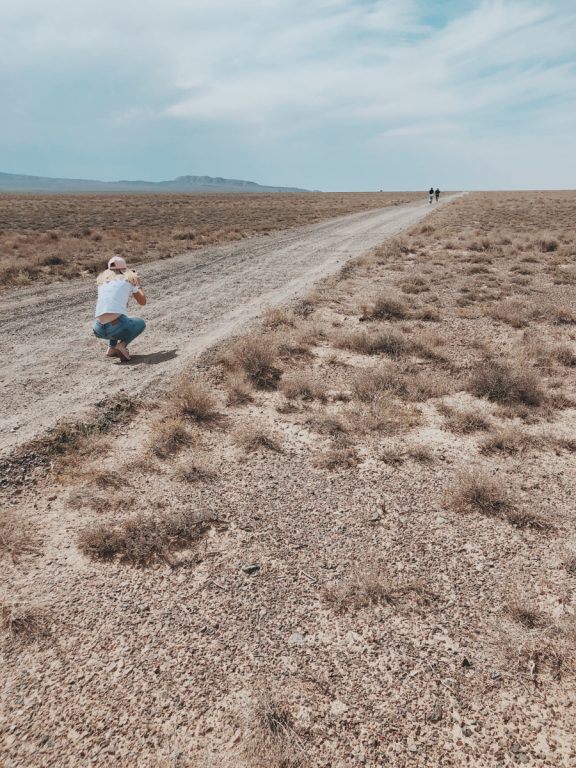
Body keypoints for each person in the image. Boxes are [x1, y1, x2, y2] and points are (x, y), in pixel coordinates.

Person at [92, 256, 147, 361]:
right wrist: (138, 284)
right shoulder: (128, 281)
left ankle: (111, 349)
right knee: (140, 323)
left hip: (97, 328)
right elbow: (143, 302)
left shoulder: (102, 283)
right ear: (124, 269)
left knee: (115, 316)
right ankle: (122, 345)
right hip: (115, 327)